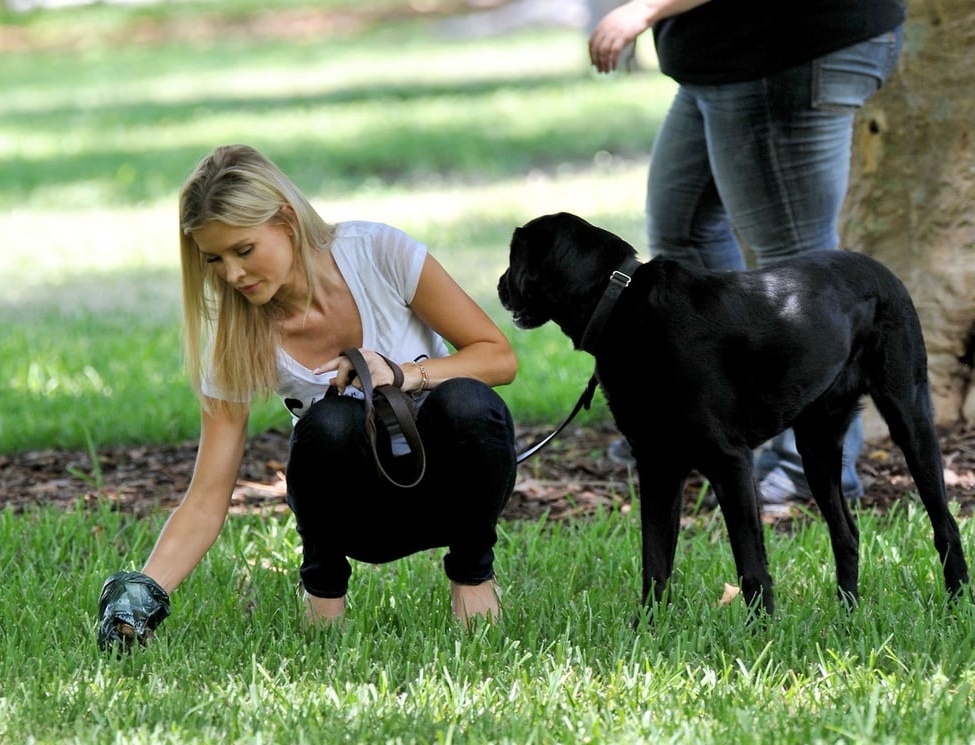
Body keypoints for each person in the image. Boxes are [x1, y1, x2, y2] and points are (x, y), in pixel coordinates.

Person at [97, 144, 518, 646]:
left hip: (445, 492)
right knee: (329, 424)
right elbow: (208, 496)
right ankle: (323, 602)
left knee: (468, 403)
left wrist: (403, 373)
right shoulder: (233, 337)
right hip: (355, 517)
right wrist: (145, 593)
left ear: (287, 221)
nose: (231, 274)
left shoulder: (378, 253)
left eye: (244, 250)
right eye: (214, 258)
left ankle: (472, 580)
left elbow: (499, 357)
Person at [586, 0, 906, 505]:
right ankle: (716, 430)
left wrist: (646, 9)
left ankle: (813, 469)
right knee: (683, 236)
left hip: (785, 50)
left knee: (800, 268)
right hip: (725, 56)